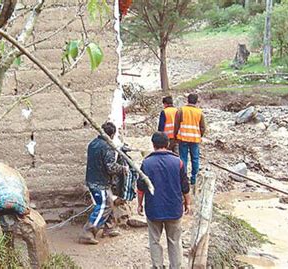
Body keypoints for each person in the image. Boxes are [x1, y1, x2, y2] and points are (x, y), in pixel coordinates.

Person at [137, 132, 191, 269]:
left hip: (154, 208)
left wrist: (139, 204)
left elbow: (141, 188)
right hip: (174, 208)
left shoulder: (146, 163)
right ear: (167, 144)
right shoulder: (178, 162)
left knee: (154, 240)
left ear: (153, 145)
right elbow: (185, 186)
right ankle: (176, 266)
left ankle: (157, 266)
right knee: (174, 240)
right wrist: (188, 203)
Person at [79, 122, 128, 245]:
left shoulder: (93, 143)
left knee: (109, 202)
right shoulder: (107, 146)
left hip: (92, 179)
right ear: (112, 134)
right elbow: (110, 167)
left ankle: (109, 227)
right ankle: (88, 232)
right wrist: (123, 168)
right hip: (100, 182)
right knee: (104, 205)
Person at [174, 93, 206, 186]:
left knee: (183, 158)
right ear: (196, 101)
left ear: (187, 100)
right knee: (195, 158)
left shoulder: (181, 110)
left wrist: (176, 136)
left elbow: (176, 125)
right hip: (195, 139)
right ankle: (194, 178)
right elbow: (203, 127)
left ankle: (183, 178)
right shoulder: (199, 112)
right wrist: (199, 135)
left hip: (183, 138)